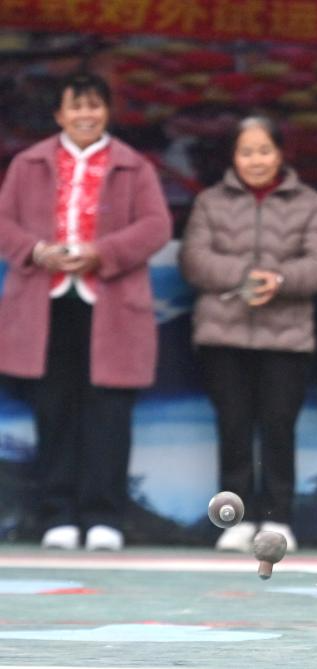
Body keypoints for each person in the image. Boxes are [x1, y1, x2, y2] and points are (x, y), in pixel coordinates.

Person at [0, 71, 172, 550]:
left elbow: (156, 226)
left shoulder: (133, 166)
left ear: (107, 112)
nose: (85, 114)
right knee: (53, 410)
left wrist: (102, 252)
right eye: (75, 106)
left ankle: (104, 517)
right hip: (47, 305)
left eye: (94, 105)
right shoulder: (29, 164)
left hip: (111, 305)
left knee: (108, 414)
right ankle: (57, 514)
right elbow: (4, 221)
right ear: (59, 114)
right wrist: (36, 251)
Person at [179, 116, 317, 553]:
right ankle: (236, 520)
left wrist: (280, 280)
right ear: (233, 157)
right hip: (223, 336)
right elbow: (194, 259)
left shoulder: (310, 203)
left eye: (265, 151)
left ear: (281, 154)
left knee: (279, 428)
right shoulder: (210, 202)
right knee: (233, 428)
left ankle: (278, 518)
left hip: (287, 338)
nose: (256, 160)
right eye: (246, 152)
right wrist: (246, 275)